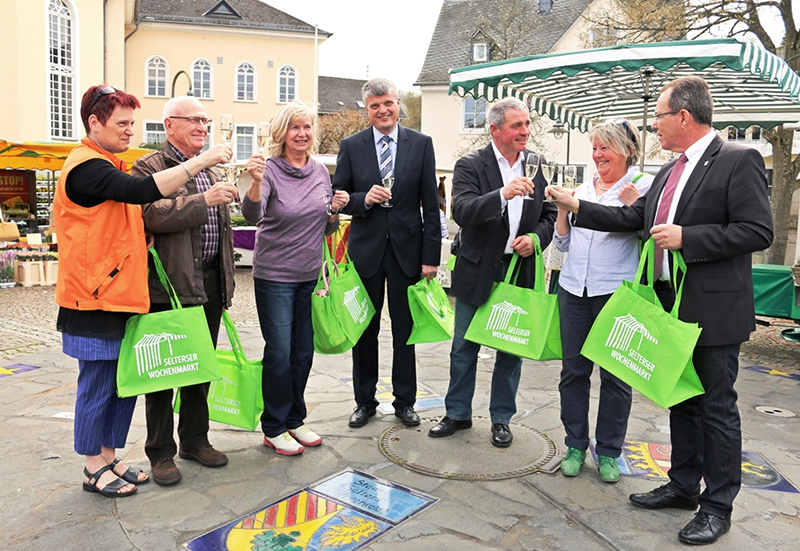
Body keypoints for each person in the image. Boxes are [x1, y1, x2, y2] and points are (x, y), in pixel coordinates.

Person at [547, 76, 773, 545]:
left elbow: (757, 230)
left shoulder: (738, 159)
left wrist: (690, 237)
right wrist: (578, 206)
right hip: (670, 305)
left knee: (716, 407)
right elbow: (633, 220)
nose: (654, 127)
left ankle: (717, 506)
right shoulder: (672, 170)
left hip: (713, 310)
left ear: (684, 117)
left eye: (659, 118)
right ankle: (683, 485)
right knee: (681, 401)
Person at [53, 85, 231, 498]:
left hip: (118, 293)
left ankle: (110, 456)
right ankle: (92, 466)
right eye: (122, 123)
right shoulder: (86, 166)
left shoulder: (107, 162)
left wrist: (138, 238)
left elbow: (126, 217)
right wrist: (202, 162)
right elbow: (141, 192)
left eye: (132, 123)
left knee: (120, 384)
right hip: (91, 297)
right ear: (94, 123)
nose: (130, 131)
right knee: (97, 385)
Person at [428, 97, 558, 447]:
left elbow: (549, 214)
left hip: (519, 270)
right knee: (463, 347)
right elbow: (462, 211)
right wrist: (502, 194)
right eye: (517, 126)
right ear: (495, 129)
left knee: (510, 350)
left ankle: (502, 418)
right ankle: (457, 413)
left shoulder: (537, 164)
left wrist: (535, 238)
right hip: (478, 268)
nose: (525, 132)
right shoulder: (471, 164)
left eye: (527, 124)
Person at [132, 96, 239, 486]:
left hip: (209, 281)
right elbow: (150, 213)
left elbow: (220, 230)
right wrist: (203, 200)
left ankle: (195, 440)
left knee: (199, 369)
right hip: (168, 286)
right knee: (162, 373)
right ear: (169, 125)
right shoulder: (149, 165)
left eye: (206, 120)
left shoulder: (211, 168)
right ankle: (160, 453)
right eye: (193, 120)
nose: (202, 126)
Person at [332, 78, 441, 429]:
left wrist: (431, 256)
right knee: (365, 328)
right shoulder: (352, 145)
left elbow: (431, 204)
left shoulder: (421, 144)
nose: (383, 110)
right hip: (365, 251)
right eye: (375, 105)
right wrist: (365, 198)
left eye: (388, 103)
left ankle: (405, 402)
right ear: (367, 110)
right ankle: (364, 402)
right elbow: (339, 195)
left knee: (404, 330)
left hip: (407, 252)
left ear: (398, 104)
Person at [242, 101, 349, 455]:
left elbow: (326, 224)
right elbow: (252, 212)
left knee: (303, 352)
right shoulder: (269, 170)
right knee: (280, 352)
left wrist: (334, 210)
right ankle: (273, 426)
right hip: (275, 276)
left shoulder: (320, 171)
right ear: (282, 134)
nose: (302, 134)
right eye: (294, 128)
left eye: (306, 127)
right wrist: (256, 184)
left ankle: (294, 419)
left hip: (309, 277)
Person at [552, 119, 653, 483]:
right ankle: (575, 444)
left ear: (626, 150)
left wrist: (634, 206)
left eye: (604, 148)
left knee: (615, 376)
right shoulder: (582, 188)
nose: (597, 155)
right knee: (574, 371)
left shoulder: (641, 185)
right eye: (594, 148)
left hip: (615, 293)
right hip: (574, 288)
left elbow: (633, 224)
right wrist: (564, 212)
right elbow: (562, 244)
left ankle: (608, 451)